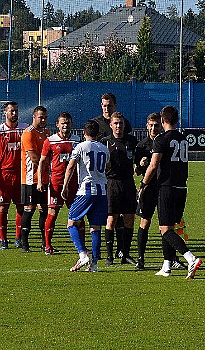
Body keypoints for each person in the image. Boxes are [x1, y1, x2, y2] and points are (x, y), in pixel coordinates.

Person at [141, 105, 202, 279]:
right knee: (170, 227)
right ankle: (167, 265)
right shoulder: (183, 139)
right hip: (182, 187)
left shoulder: (161, 138)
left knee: (165, 229)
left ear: (162, 119)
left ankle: (191, 258)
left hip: (166, 187)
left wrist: (144, 184)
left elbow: (153, 165)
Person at [134, 112, 186, 271]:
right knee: (145, 222)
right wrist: (141, 166)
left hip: (165, 187)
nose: (154, 128)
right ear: (147, 126)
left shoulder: (165, 140)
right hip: (150, 188)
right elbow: (136, 170)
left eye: (157, 125)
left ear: (161, 124)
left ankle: (170, 260)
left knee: (168, 225)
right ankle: (140, 259)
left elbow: (157, 164)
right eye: (151, 125)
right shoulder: (142, 145)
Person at [63, 120, 110, 273]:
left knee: (72, 222)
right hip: (102, 191)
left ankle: (83, 254)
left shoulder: (80, 146)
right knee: (95, 227)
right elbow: (107, 167)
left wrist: (65, 186)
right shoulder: (104, 148)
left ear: (84, 133)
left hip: (86, 190)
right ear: (98, 134)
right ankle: (94, 264)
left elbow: (70, 166)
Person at [36, 112, 81, 255]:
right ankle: (48, 246)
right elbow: (42, 161)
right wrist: (40, 181)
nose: (65, 125)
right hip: (56, 183)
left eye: (67, 122)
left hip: (74, 183)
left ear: (71, 124)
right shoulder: (50, 141)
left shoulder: (77, 141)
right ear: (57, 124)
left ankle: (82, 246)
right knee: (52, 212)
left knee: (79, 214)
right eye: (62, 123)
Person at [101, 111, 138, 266]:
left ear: (124, 125)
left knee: (129, 219)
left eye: (120, 123)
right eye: (115, 123)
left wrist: (140, 164)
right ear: (111, 125)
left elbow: (137, 160)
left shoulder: (132, 141)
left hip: (128, 183)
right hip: (112, 183)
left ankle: (125, 254)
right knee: (111, 219)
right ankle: (109, 255)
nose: (118, 126)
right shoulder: (105, 142)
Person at [19, 105, 51, 252]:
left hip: (44, 178)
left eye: (45, 117)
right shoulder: (28, 133)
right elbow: (34, 158)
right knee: (29, 209)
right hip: (30, 178)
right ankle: (24, 243)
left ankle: (45, 242)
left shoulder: (46, 132)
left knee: (45, 210)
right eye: (40, 117)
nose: (43, 119)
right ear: (34, 117)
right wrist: (48, 164)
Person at [0, 101, 28, 249]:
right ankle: (3, 239)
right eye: (11, 111)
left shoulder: (24, 129)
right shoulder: (1, 131)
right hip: (4, 175)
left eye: (16, 110)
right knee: (2, 209)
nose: (15, 113)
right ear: (5, 112)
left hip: (21, 174)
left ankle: (18, 238)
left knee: (21, 208)